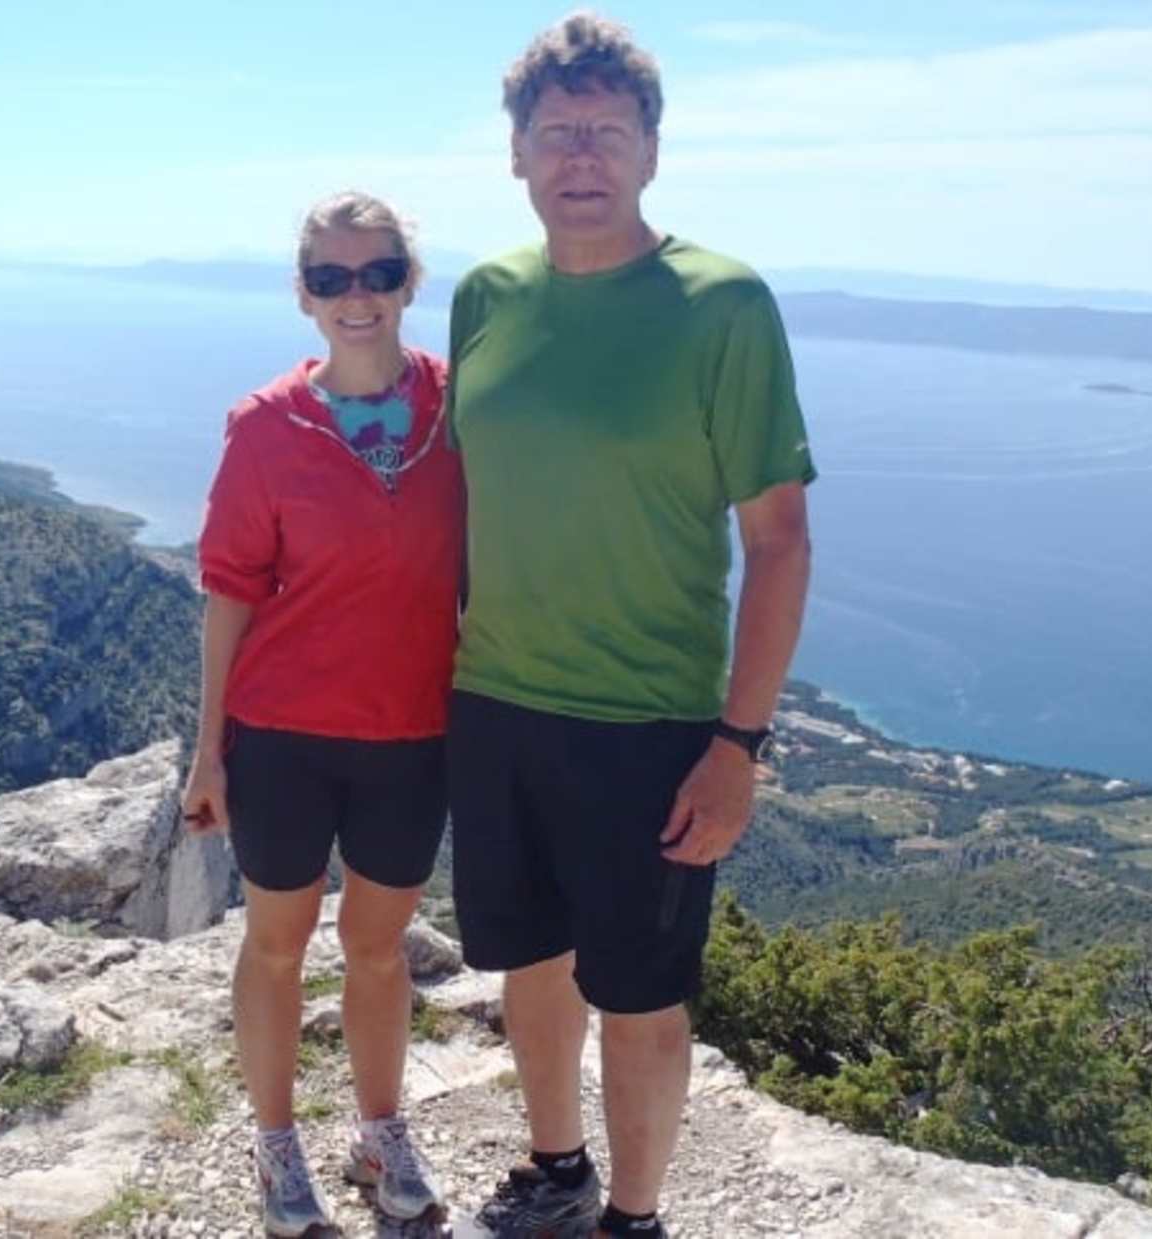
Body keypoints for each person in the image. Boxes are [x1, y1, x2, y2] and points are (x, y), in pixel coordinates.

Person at [445, 13, 814, 1238]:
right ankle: (558, 1166)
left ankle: (637, 1216)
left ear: (652, 150)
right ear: (517, 155)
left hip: (649, 724)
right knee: (529, 963)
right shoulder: (487, 295)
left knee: (644, 995)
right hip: (493, 701)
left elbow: (778, 541)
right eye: (557, 133)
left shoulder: (721, 304)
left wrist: (737, 746)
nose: (582, 156)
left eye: (608, 131)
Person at [181, 190, 462, 1236]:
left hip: (413, 734)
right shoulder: (265, 429)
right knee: (277, 946)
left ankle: (380, 1133)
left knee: (381, 948)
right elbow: (229, 590)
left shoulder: (455, 409)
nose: (359, 295)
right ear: (304, 294)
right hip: (285, 737)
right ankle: (275, 1145)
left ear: (407, 285)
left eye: (379, 273)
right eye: (334, 277)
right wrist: (208, 751)